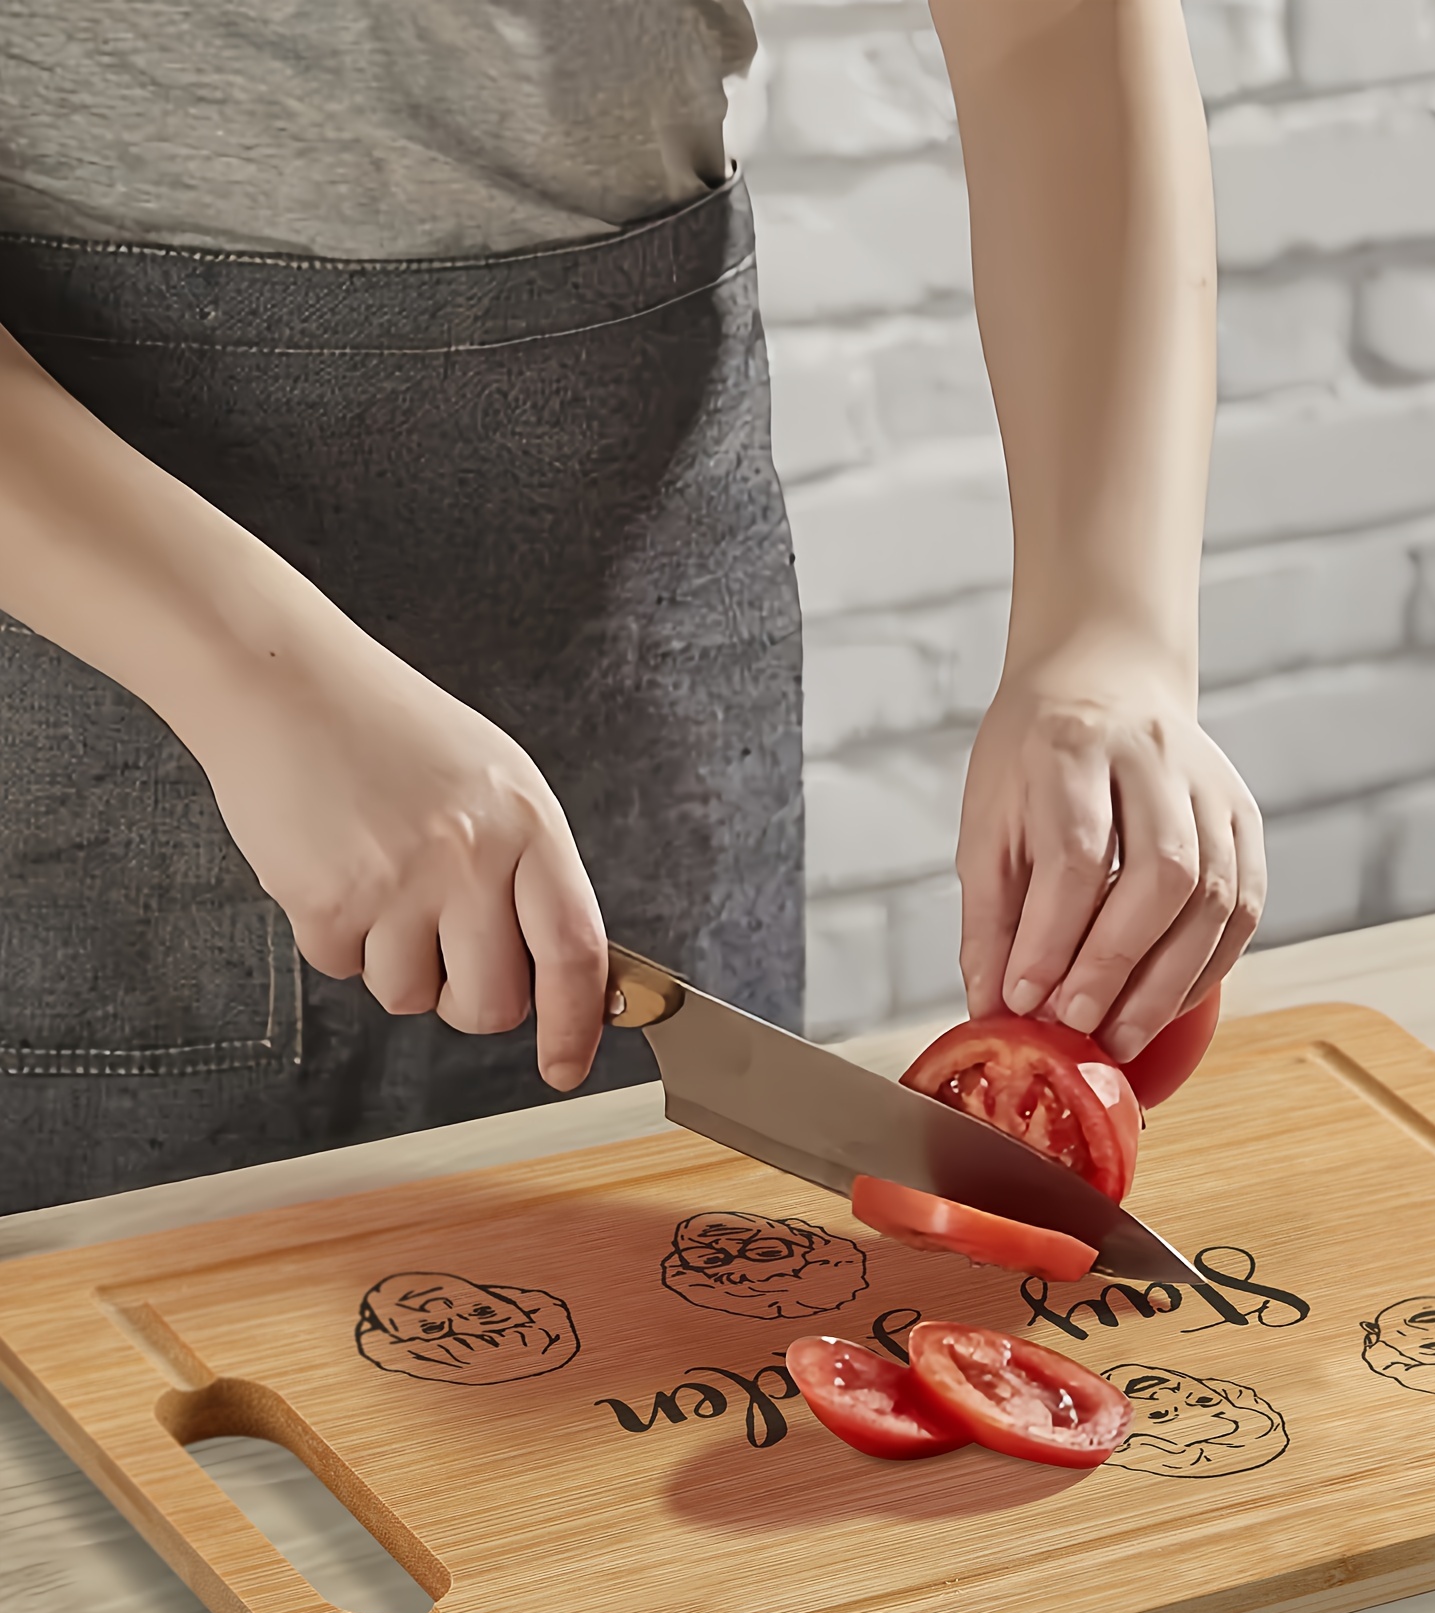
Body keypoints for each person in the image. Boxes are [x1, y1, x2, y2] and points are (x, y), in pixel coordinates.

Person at [0, 0, 1265, 1217]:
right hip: (69, 592)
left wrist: (1108, 639)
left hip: (638, 579)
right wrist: (247, 673)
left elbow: (1052, 24)